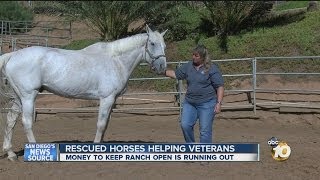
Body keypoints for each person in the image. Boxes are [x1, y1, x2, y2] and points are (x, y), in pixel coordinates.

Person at [164, 44, 224, 143]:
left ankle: (204, 154)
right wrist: (162, 72)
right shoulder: (189, 66)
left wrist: (219, 103)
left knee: (204, 130)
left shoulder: (212, 68)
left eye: (196, 56)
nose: (193, 57)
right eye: (193, 55)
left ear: (203, 57)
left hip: (207, 103)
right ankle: (191, 148)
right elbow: (176, 74)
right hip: (190, 102)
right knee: (185, 125)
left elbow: (220, 86)